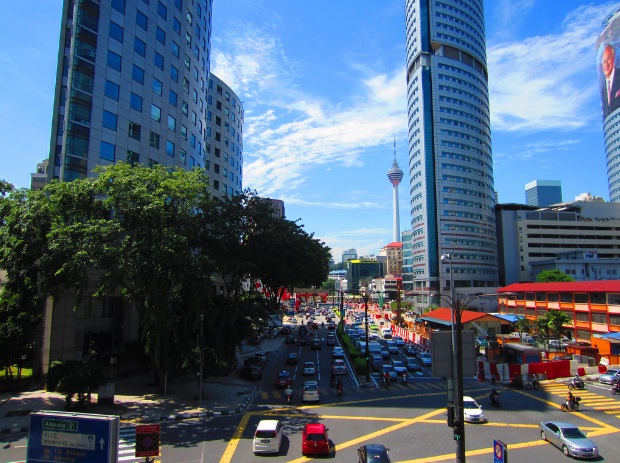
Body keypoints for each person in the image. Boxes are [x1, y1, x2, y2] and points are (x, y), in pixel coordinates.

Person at [601, 43, 620, 118]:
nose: (606, 64)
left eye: (608, 58)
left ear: (614, 57)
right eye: (604, 61)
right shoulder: (603, 89)